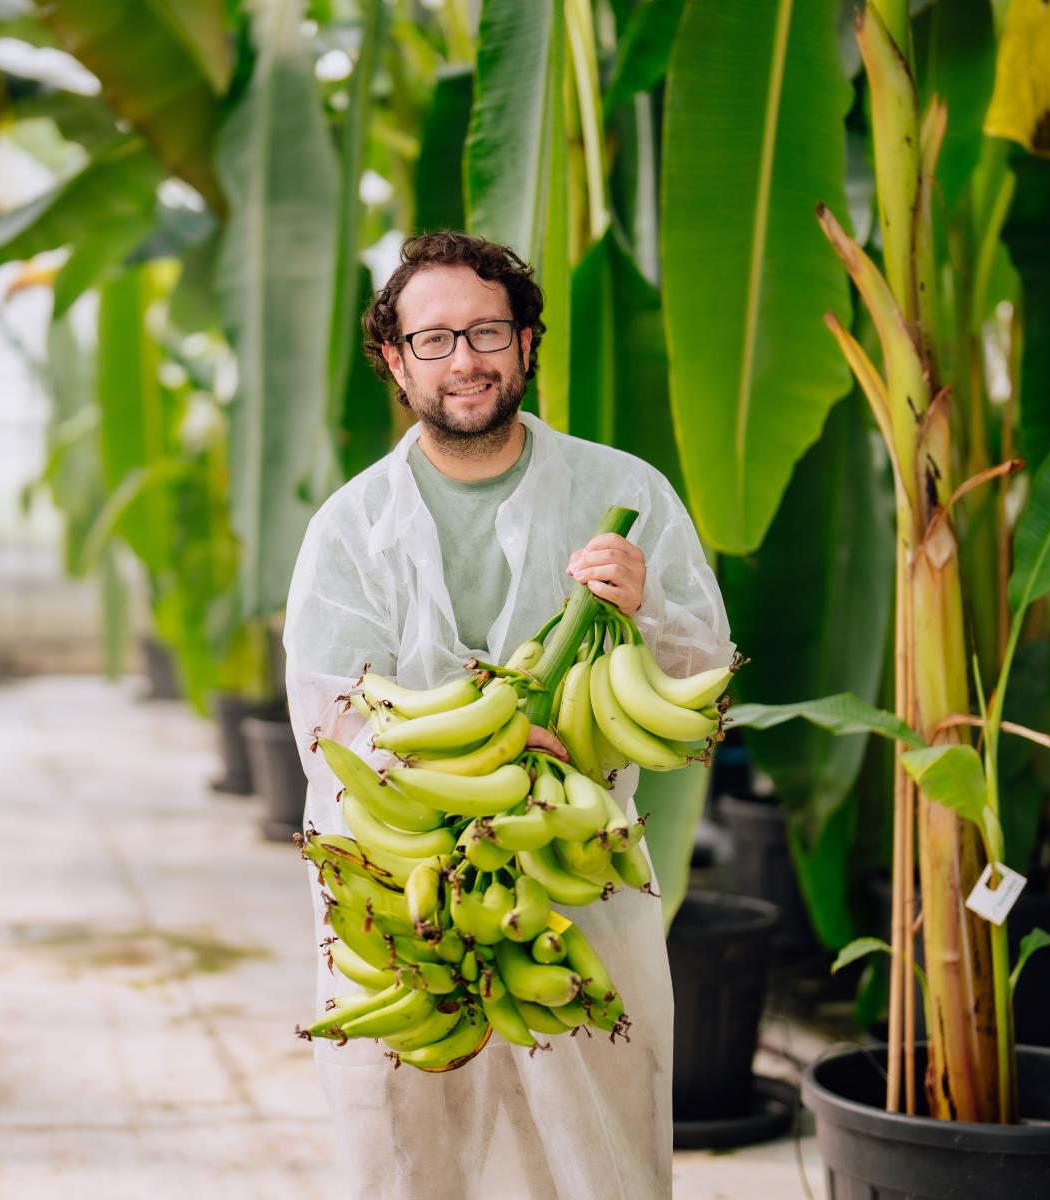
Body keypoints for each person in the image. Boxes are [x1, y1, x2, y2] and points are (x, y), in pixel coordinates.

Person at [283, 230, 733, 1199]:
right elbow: (333, 721)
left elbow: (699, 682)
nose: (466, 360)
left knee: (598, 1132)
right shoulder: (351, 527)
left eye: (487, 331)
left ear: (526, 343)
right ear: (396, 362)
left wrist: (644, 606)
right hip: (404, 877)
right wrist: (484, 748)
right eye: (435, 339)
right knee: (411, 1140)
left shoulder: (624, 494)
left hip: (576, 858)